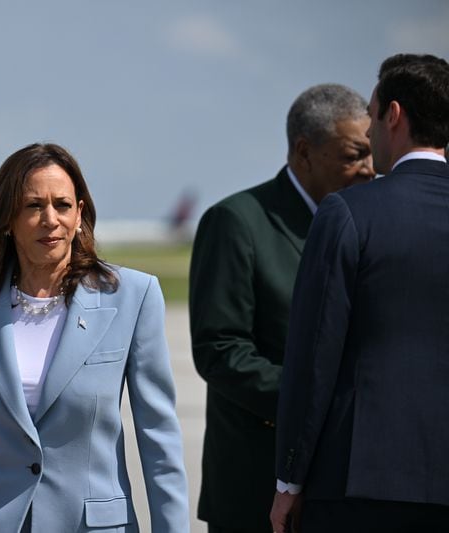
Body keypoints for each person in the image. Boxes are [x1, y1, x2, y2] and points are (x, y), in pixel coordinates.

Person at [0, 143, 190, 532]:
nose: (50, 220)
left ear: (80, 214)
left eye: (62, 205)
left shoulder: (133, 296)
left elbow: (158, 438)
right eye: (32, 206)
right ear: (7, 218)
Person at [271, 53, 449, 532]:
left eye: (371, 118)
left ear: (393, 115)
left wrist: (289, 481)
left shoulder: (348, 213)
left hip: (362, 485)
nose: (369, 136)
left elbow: (314, 357)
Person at [189, 84, 374, 532]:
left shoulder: (366, 221)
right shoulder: (237, 222)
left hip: (347, 484)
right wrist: (316, 403)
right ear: (304, 151)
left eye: (372, 153)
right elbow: (220, 350)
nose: (370, 169)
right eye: (354, 155)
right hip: (257, 485)